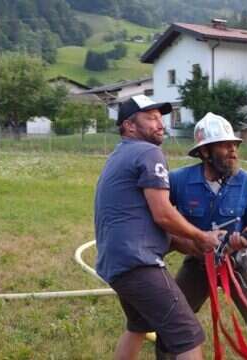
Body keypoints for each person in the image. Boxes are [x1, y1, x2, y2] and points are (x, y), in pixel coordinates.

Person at [158, 112, 247, 359]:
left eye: (235, 144)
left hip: (239, 264)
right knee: (172, 324)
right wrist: (188, 243)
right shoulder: (178, 181)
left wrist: (242, 238)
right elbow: (162, 219)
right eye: (225, 145)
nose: (233, 150)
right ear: (205, 152)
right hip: (198, 264)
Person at [94, 95, 222, 360]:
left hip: (117, 263)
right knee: (189, 336)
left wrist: (190, 244)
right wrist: (202, 236)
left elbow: (143, 220)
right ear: (129, 126)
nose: (160, 124)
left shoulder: (118, 155)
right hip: (138, 263)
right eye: (151, 118)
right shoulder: (148, 152)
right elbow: (163, 214)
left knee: (138, 326)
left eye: (160, 118)